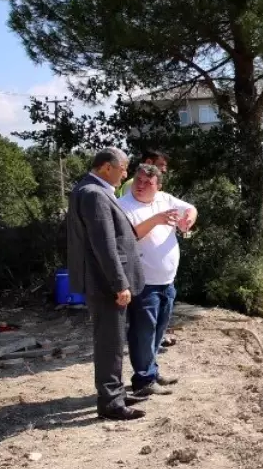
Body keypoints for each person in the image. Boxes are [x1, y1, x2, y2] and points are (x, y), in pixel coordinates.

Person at [66, 148, 147, 420]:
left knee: (112, 339)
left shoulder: (90, 190)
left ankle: (116, 392)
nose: (126, 173)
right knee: (110, 342)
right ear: (105, 168)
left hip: (102, 280)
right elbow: (104, 245)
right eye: (122, 168)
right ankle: (111, 402)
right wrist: (119, 284)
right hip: (104, 283)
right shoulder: (93, 194)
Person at [118, 162, 197, 397]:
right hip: (143, 281)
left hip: (166, 281)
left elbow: (191, 208)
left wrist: (188, 221)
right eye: (138, 180)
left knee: (159, 330)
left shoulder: (165, 199)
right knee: (143, 331)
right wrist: (157, 219)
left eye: (148, 183)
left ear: (158, 186)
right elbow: (128, 237)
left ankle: (151, 371)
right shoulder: (123, 205)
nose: (141, 186)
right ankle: (142, 380)